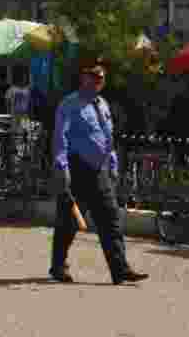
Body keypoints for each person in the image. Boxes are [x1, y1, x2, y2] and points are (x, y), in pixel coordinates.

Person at [50, 60, 148, 286]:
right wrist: (62, 167)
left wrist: (112, 162)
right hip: (77, 168)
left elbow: (107, 136)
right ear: (83, 78)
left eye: (101, 78)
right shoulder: (70, 104)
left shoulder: (102, 104)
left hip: (99, 170)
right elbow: (60, 138)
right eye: (93, 77)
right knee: (69, 221)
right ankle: (58, 265)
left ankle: (120, 269)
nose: (97, 81)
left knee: (111, 219)